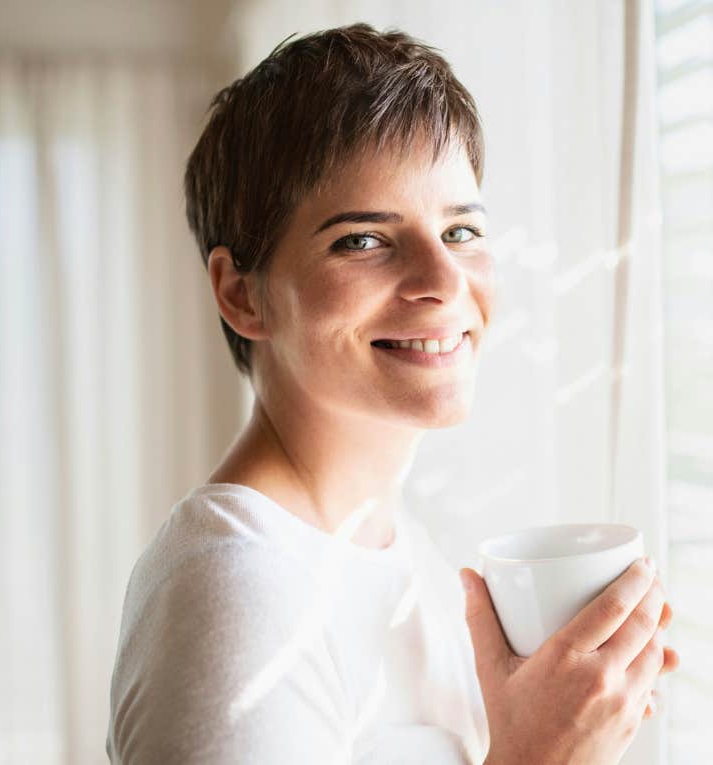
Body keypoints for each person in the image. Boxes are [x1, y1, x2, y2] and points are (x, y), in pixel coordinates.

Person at [105, 22, 678, 764]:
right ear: (242, 295)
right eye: (364, 240)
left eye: (462, 231)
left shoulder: (405, 555)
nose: (444, 283)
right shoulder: (237, 598)